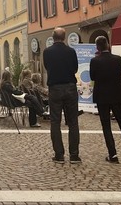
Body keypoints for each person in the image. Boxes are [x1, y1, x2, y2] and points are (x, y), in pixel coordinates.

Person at [90, 36, 121, 164]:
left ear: (97, 47)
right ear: (107, 45)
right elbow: (119, 74)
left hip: (102, 96)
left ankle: (112, 155)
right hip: (116, 94)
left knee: (106, 125)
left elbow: (93, 76)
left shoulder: (95, 61)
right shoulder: (117, 59)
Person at [43, 26, 80, 164]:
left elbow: (47, 66)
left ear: (53, 37)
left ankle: (59, 154)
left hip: (55, 88)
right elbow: (75, 68)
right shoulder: (71, 51)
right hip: (70, 87)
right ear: (64, 37)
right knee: (73, 122)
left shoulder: (47, 52)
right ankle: (74, 155)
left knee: (55, 122)